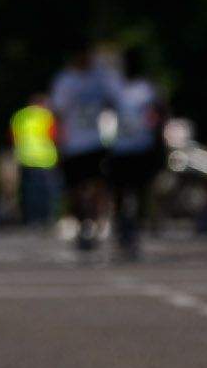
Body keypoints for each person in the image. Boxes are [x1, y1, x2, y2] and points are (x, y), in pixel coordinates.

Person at [49, 48, 123, 250]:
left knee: (99, 185)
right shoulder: (66, 81)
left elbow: (118, 101)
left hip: (98, 141)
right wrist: (57, 141)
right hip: (74, 144)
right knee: (74, 190)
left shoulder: (102, 78)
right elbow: (57, 112)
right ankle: (83, 224)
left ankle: (97, 223)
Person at [107, 57, 164, 258]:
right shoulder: (116, 88)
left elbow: (158, 115)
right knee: (120, 191)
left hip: (141, 146)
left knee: (141, 190)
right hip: (120, 147)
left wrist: (157, 140)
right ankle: (122, 226)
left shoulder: (146, 89)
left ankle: (136, 228)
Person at [9, 92, 60, 229]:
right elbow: (54, 136)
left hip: (25, 158)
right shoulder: (46, 116)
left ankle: (32, 220)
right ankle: (48, 219)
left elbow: (13, 138)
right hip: (45, 159)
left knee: (29, 193)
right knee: (47, 193)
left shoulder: (20, 116)